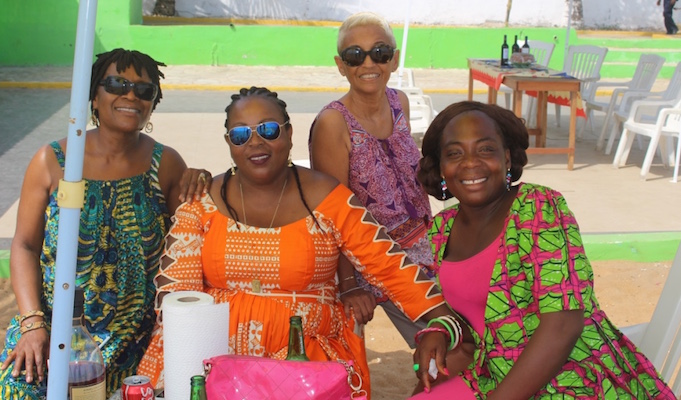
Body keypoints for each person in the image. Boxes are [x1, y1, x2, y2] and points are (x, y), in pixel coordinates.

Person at [136, 87, 469, 398]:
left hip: (304, 358)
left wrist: (445, 319)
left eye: (268, 130)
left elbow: (387, 264)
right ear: (229, 142)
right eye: (240, 134)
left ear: (289, 132)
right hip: (215, 356)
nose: (255, 142)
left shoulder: (327, 197)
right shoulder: (202, 201)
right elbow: (178, 294)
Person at [410, 101, 674, 398]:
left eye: (485, 149)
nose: (471, 163)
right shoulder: (442, 229)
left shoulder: (538, 208)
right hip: (491, 375)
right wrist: (442, 329)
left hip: (571, 378)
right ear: (441, 168)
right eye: (455, 153)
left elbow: (563, 325)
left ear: (507, 157)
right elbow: (478, 319)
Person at [0, 48, 209, 399]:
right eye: (117, 85)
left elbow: (192, 238)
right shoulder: (53, 160)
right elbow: (24, 245)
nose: (131, 95)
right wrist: (32, 324)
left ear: (152, 104)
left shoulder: (166, 164)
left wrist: (203, 180)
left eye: (144, 90)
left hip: (136, 339)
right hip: (56, 329)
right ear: (94, 97)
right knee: (17, 389)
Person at [309, 11, 433, 348]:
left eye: (380, 52)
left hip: (422, 248)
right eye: (355, 55)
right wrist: (348, 284)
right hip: (370, 259)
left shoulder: (399, 102)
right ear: (340, 65)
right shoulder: (334, 123)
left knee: (460, 332)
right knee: (447, 342)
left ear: (394, 60)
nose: (368, 63)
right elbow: (333, 212)